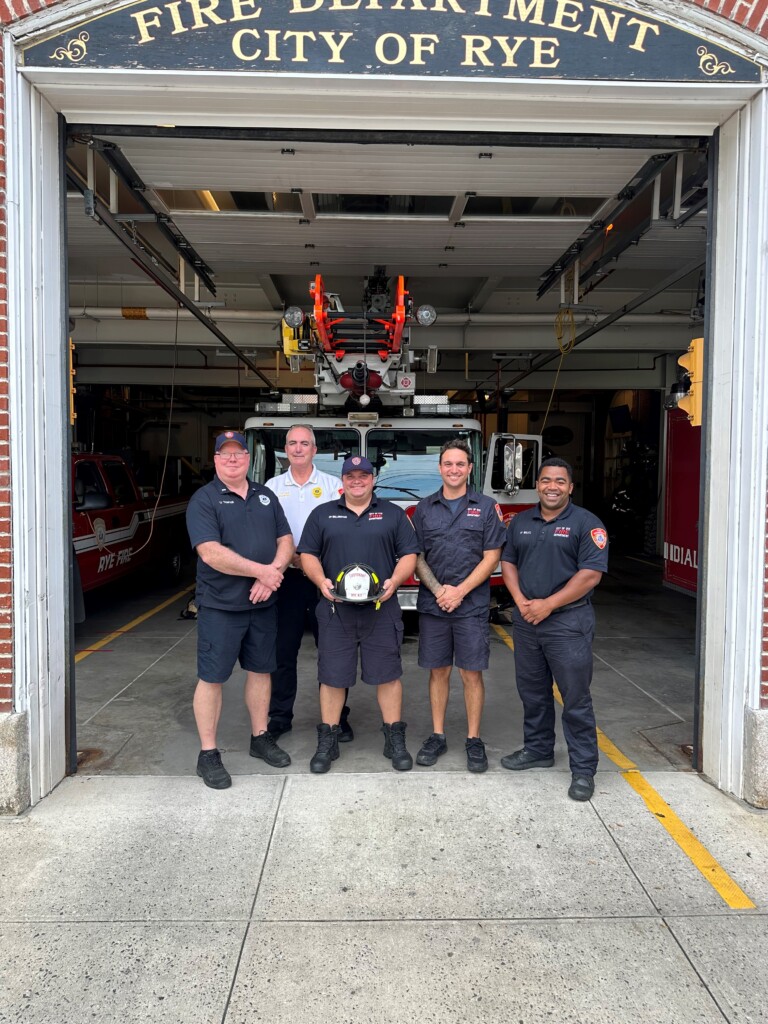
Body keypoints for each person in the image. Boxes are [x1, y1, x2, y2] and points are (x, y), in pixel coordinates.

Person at [186, 430, 295, 789]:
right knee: (213, 678)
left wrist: (273, 574)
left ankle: (260, 736)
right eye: (225, 454)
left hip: (263, 603)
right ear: (215, 460)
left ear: (248, 459)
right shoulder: (204, 500)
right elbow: (210, 552)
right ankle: (208, 753)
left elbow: (286, 540)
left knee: (262, 671)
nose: (233, 459)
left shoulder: (265, 496)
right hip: (221, 606)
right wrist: (261, 571)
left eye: (239, 454)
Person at [297, 456, 419, 774]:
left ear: (372, 479)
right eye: (350, 475)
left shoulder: (392, 514)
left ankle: (394, 738)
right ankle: (328, 740)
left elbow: (409, 554)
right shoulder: (322, 514)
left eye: (363, 475)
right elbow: (307, 553)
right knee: (332, 677)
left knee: (388, 676)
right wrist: (319, 579)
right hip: (336, 610)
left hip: (381, 609)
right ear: (342, 481)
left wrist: (396, 580)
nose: (357, 480)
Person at [500, 457, 609, 801]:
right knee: (532, 692)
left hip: (567, 623)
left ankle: (583, 769)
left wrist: (549, 604)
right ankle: (538, 750)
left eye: (560, 481)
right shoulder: (520, 522)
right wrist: (520, 600)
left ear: (570, 487)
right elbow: (508, 561)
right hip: (528, 620)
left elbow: (590, 575)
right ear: (538, 485)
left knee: (575, 698)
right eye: (546, 480)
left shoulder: (586, 523)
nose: (552, 486)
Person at [410, 439, 505, 772]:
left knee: (471, 673)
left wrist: (460, 591)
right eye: (448, 464)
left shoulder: (486, 507)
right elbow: (417, 557)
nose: (454, 469)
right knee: (438, 671)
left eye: (460, 464)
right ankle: (437, 735)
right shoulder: (424, 508)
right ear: (439, 468)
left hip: (471, 606)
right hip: (435, 605)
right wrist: (439, 591)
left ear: (469, 468)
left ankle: (473, 739)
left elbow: (492, 556)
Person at [264, 424, 353, 741]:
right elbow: (266, 535)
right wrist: (292, 559)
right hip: (285, 580)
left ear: (315, 450)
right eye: (292, 443)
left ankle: (338, 718)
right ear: (284, 450)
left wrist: (312, 561)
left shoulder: (332, 486)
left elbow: (342, 532)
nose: (298, 448)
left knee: (332, 651)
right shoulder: (271, 488)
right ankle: (279, 716)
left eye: (305, 443)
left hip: (324, 581)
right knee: (282, 651)